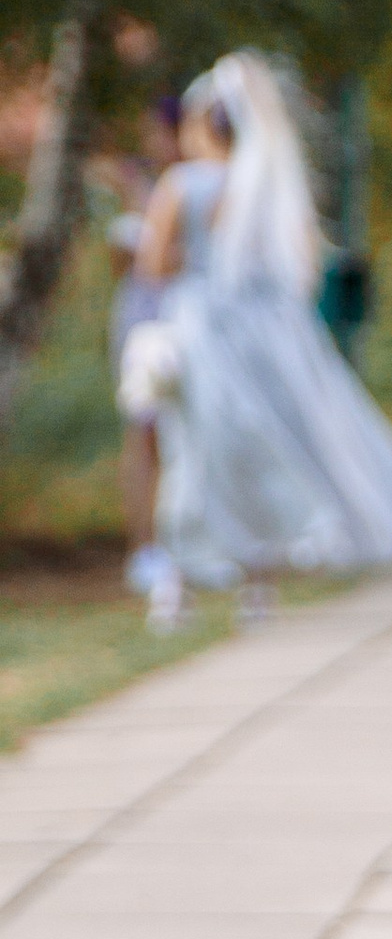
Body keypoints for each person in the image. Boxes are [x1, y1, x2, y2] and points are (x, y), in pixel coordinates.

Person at [127, 56, 392, 623]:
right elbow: (301, 266)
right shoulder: (270, 189)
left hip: (199, 330)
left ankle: (177, 581)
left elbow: (152, 264)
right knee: (260, 456)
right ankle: (257, 583)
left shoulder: (183, 185)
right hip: (267, 341)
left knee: (191, 453)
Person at [102, 95, 182, 621]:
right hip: (141, 319)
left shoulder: (194, 185)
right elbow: (120, 263)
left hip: (185, 315)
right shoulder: (140, 187)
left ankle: (185, 541)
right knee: (143, 432)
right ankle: (144, 547)